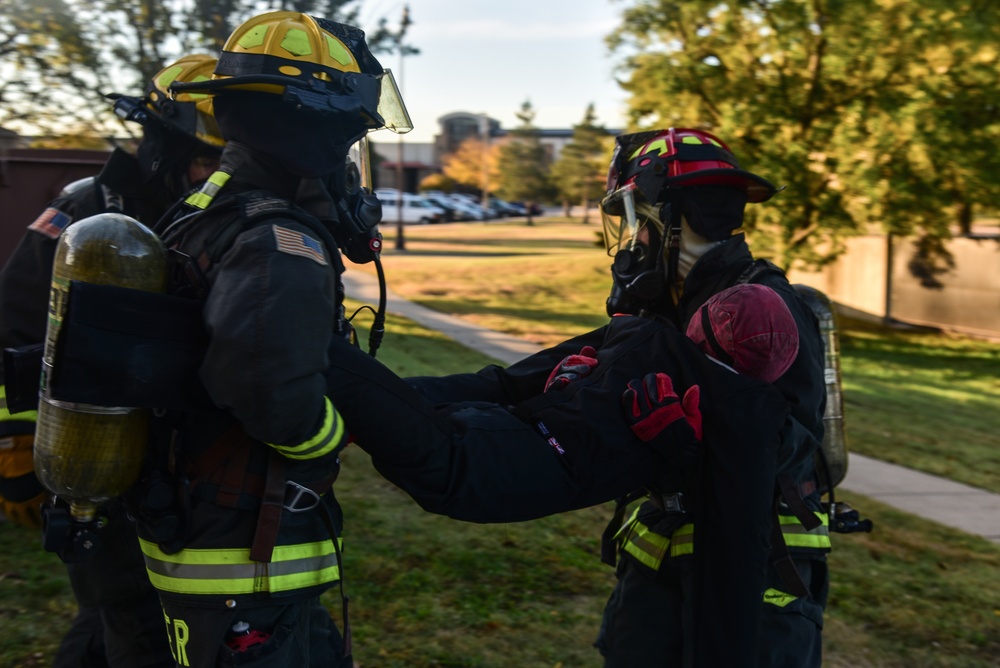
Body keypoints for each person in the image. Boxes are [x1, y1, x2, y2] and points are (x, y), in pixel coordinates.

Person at [113, 11, 412, 668]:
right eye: (347, 140)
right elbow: (264, 389)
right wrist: (336, 434)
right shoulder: (285, 244)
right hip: (245, 567)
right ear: (312, 129)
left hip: (215, 545)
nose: (349, 163)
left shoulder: (201, 217)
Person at [322, 282, 799, 666]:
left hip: (504, 432)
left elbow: (501, 384)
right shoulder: (747, 418)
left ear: (701, 322)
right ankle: (310, 354)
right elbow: (735, 564)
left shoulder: (639, 335)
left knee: (387, 413)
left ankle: (310, 353)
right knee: (432, 456)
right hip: (512, 464)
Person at [0, 54, 225, 668]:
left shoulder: (211, 220)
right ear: (164, 150)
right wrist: (14, 442)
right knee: (130, 620)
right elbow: (12, 323)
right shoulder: (84, 213)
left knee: (131, 619)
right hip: (92, 449)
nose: (214, 175)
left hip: (174, 465)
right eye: (205, 160)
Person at [591, 128, 830, 668]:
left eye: (638, 222)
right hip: (658, 561)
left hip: (758, 568)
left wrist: (701, 432)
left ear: (682, 219)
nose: (633, 241)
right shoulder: (665, 310)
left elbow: (792, 443)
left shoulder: (760, 309)